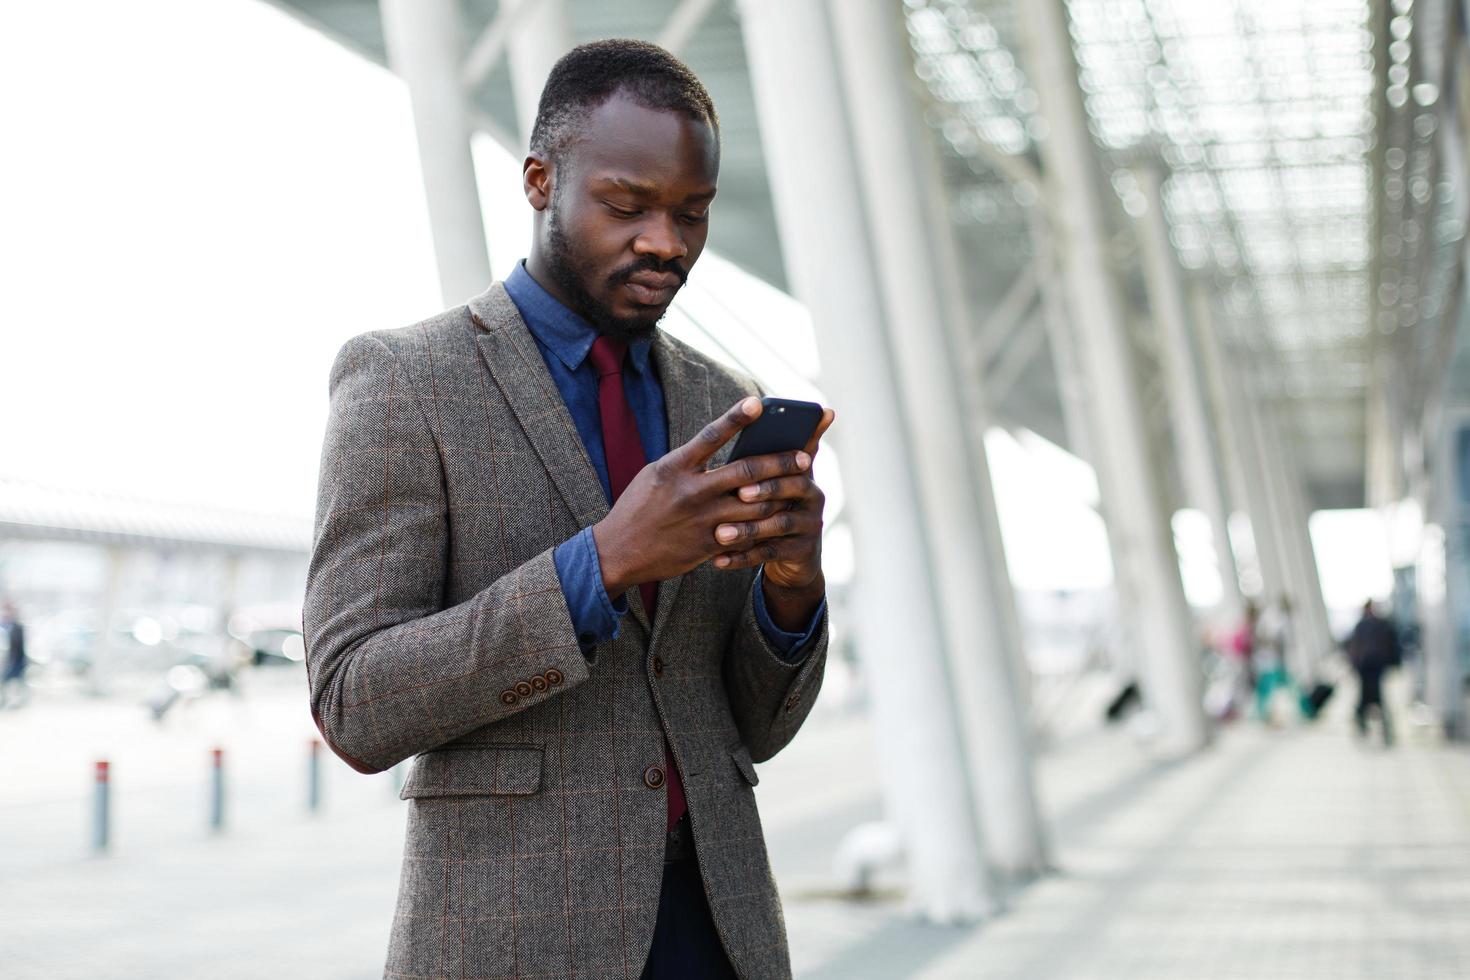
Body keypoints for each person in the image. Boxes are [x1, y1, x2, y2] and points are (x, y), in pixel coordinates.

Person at [303, 40, 835, 980]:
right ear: (542, 181)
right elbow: (355, 701)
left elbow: (747, 727)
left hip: (721, 930)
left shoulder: (722, 402)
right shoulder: (405, 382)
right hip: (515, 939)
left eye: (693, 212)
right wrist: (602, 562)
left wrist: (790, 591)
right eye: (627, 206)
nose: (666, 242)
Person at [1347, 599, 1401, 746]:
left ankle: (1373, 728)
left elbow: (1354, 648)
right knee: (1373, 699)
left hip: (1371, 667)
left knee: (1370, 699)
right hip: (1370, 667)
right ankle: (1381, 731)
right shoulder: (1379, 625)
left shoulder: (1365, 626)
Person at [0, 601, 28, 708]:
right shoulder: (2, 626)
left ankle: (19, 701)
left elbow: (20, 646)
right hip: (5, 660)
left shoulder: (18, 627)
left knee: (19, 682)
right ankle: (5, 700)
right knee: (5, 682)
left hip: (16, 660)